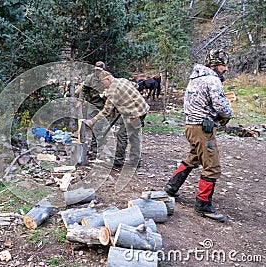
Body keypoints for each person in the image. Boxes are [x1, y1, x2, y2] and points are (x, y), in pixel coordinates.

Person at [163, 49, 233, 222]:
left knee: (194, 157)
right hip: (203, 129)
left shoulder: (195, 78)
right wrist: (227, 114)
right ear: (215, 65)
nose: (226, 69)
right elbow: (221, 106)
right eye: (224, 65)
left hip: (191, 126)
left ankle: (171, 188)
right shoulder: (213, 80)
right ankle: (203, 205)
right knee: (212, 166)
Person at [85, 74, 149, 171]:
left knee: (123, 136)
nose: (102, 85)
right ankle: (135, 161)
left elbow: (107, 110)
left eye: (103, 82)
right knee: (134, 136)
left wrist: (92, 120)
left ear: (108, 79)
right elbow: (135, 86)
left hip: (134, 113)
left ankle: (119, 162)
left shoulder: (113, 91)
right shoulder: (122, 79)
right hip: (142, 108)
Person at [76, 61, 111, 154]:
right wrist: (80, 100)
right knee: (91, 124)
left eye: (100, 70)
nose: (98, 72)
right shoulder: (89, 78)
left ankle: (96, 145)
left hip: (103, 105)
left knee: (99, 126)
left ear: (103, 70)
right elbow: (83, 90)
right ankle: (94, 143)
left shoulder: (108, 77)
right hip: (92, 103)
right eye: (96, 70)